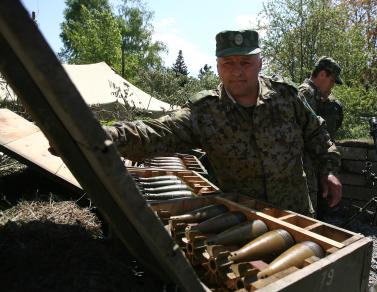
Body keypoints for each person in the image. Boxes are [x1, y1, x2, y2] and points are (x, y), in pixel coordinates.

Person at [103, 30, 341, 216]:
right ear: (218, 67)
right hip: (241, 221)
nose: (237, 71)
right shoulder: (206, 111)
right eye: (228, 63)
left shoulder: (287, 96)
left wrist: (328, 170)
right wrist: (103, 135)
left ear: (260, 63)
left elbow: (316, 131)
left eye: (246, 62)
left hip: (296, 215)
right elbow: (157, 132)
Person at [298, 56, 344, 217]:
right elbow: (312, 133)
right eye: (332, 81)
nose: (332, 87)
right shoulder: (306, 93)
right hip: (307, 167)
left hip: (316, 166)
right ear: (322, 74)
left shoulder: (317, 96)